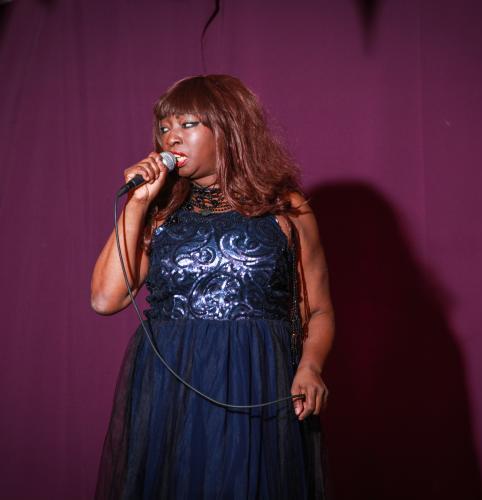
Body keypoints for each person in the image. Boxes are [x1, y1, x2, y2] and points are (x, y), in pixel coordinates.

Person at [91, 74, 335, 499]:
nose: (171, 137)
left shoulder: (285, 208)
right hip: (173, 387)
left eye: (187, 124)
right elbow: (105, 298)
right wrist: (138, 203)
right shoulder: (159, 212)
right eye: (164, 127)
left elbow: (319, 309)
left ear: (229, 128)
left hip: (256, 382)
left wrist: (311, 366)